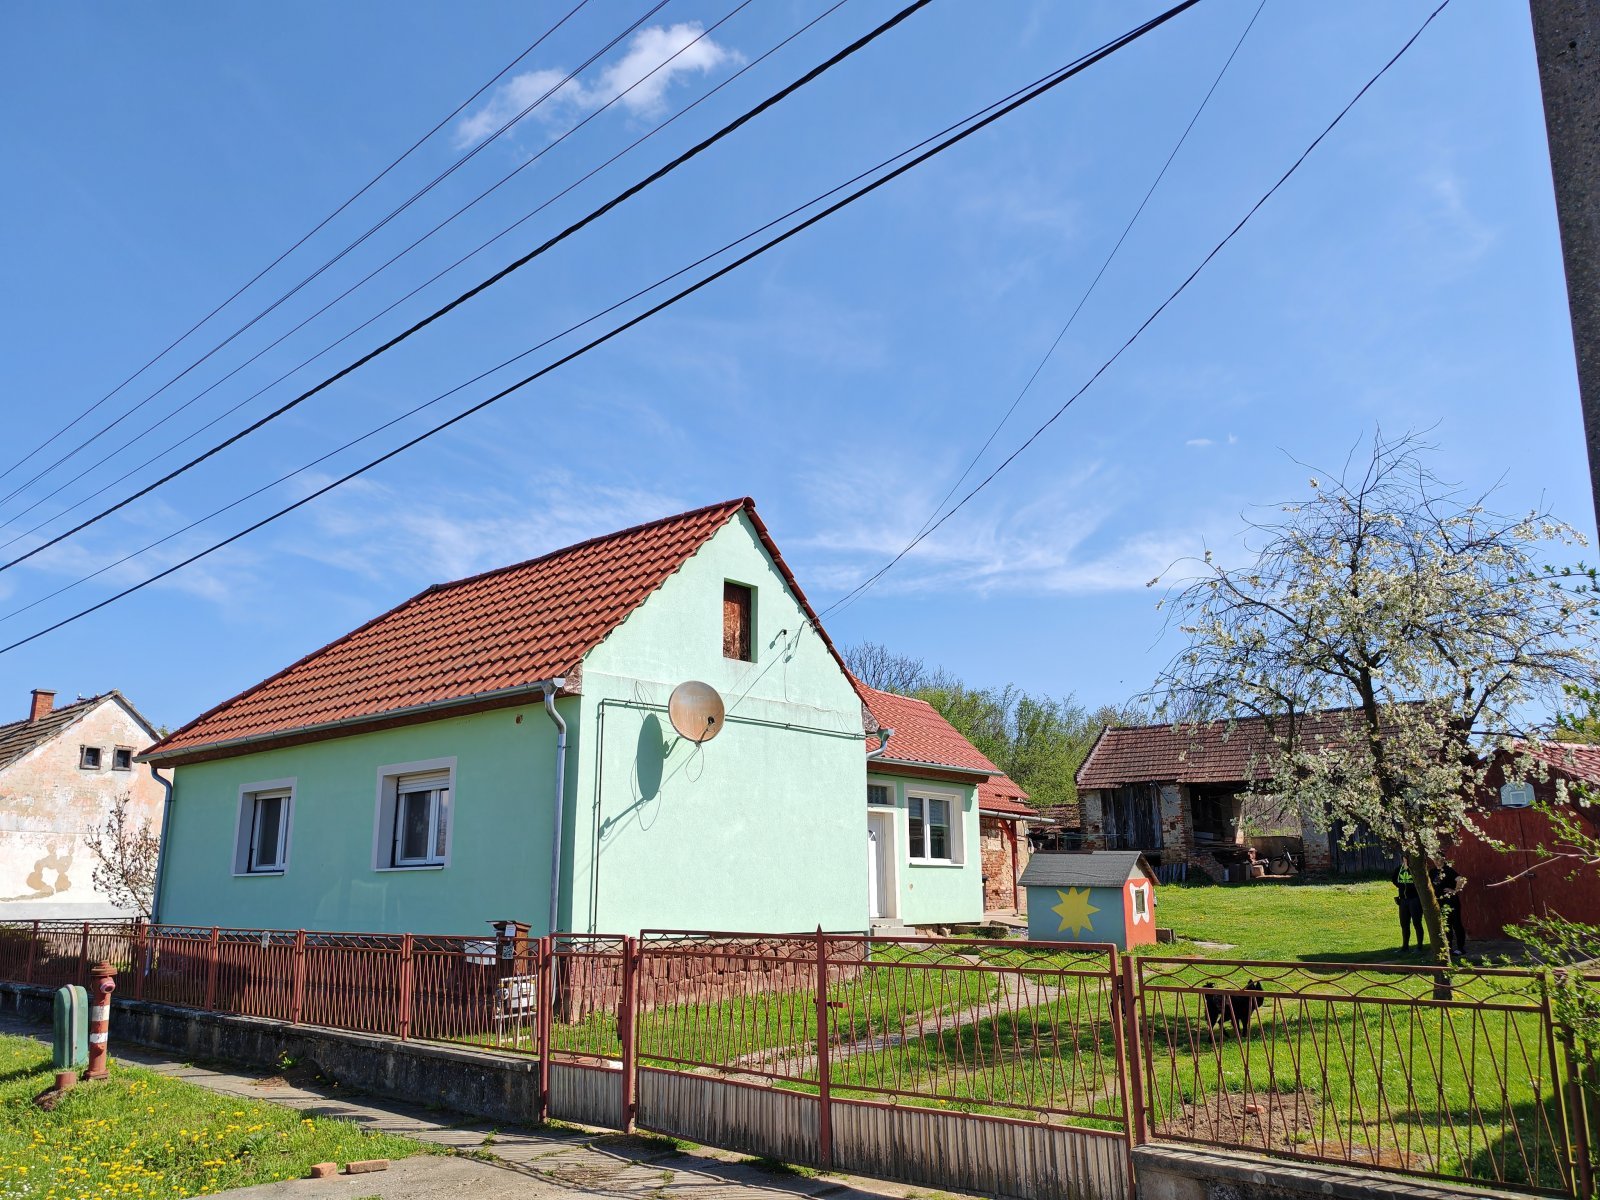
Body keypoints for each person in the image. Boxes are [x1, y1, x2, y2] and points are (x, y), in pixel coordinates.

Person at [1431, 861, 1467, 956]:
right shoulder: (1432, 871)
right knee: (1446, 925)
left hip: (1451, 901)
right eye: (1434, 859)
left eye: (1438, 859)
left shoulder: (1448, 870)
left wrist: (1454, 890)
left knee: (1456, 924)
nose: (1436, 861)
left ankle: (1460, 948)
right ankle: (1448, 949)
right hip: (1439, 901)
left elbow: (1461, 879)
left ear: (1442, 859)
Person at [1392, 862, 1424, 951]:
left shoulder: (1416, 869)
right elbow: (1394, 879)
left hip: (1415, 899)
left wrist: (1411, 887)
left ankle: (1419, 946)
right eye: (1404, 858)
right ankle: (1405, 946)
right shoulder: (1399, 869)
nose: (1405, 860)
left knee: (1417, 923)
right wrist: (1401, 886)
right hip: (1403, 900)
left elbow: (1421, 881)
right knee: (1404, 924)